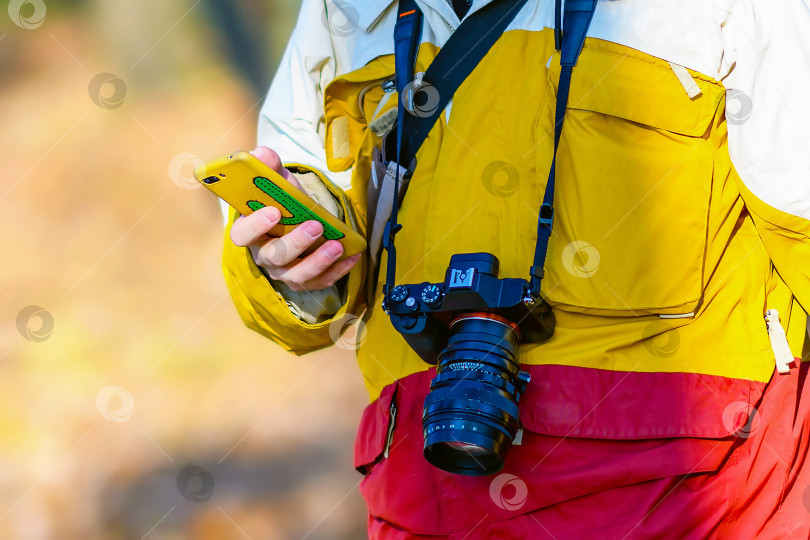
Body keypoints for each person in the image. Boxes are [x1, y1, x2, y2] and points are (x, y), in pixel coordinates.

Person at [222, 0, 810, 537]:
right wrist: (289, 260)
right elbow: (310, 228)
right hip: (426, 487)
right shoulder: (341, 9)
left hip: (692, 503)